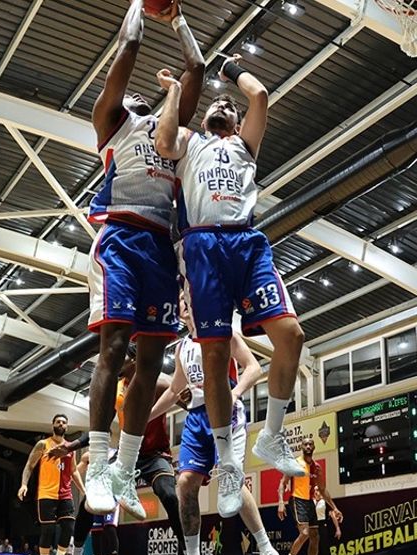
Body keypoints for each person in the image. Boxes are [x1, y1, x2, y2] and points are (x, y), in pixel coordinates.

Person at [154, 53, 307, 519]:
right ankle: (225, 464)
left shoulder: (245, 146)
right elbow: (163, 141)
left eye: (229, 106)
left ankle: (273, 434)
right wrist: (176, 92)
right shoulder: (190, 143)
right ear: (203, 119)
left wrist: (230, 66)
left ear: (238, 122)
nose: (223, 104)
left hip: (247, 243)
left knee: (292, 336)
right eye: (215, 104)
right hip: (202, 248)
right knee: (216, 356)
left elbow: (259, 94)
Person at [82, 0, 206, 521]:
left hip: (160, 247)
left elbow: (196, 68)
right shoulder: (113, 124)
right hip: (120, 239)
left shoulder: (172, 135)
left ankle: (124, 468)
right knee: (113, 348)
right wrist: (139, 3)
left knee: (151, 362)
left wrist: (177, 17)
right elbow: (127, 48)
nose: (135, 95)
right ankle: (95, 466)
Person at [151, 300, 284, 555]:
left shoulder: (223, 332)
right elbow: (175, 390)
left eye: (191, 299)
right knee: (185, 483)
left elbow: (253, 368)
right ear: (180, 311)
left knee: (232, 480)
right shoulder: (181, 347)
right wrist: (144, 417)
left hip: (226, 413)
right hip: (196, 419)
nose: (187, 305)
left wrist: (234, 394)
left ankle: (268, 553)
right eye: (183, 302)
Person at [47, 358, 188, 555]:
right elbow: (101, 426)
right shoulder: (116, 388)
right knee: (89, 502)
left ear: (133, 358)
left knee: (169, 494)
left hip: (155, 455)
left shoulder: (159, 382)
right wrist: (72, 446)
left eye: (120, 355)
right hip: (126, 454)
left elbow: (189, 402)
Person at [19, 414, 82, 555]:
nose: (61, 424)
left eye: (64, 422)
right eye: (58, 422)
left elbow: (74, 471)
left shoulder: (70, 447)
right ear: (52, 425)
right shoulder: (43, 444)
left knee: (68, 527)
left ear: (67, 427)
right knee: (48, 530)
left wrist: (83, 490)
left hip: (65, 493)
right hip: (46, 493)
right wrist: (24, 484)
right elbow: (29, 465)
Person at [277, 439, 340, 555]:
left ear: (314, 447)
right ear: (301, 447)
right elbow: (283, 483)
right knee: (304, 533)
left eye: (310, 444)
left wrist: (335, 508)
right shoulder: (294, 463)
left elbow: (323, 490)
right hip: (297, 500)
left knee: (315, 536)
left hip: (309, 502)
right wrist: (280, 502)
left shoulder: (317, 468)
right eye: (305, 444)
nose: (308, 446)